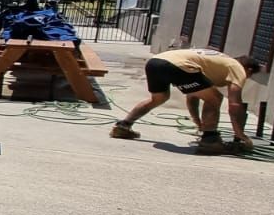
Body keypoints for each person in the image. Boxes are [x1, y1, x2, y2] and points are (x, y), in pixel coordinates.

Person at [110, 49, 263, 155]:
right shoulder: (237, 68)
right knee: (215, 98)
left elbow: (192, 97)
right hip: (176, 65)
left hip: (155, 62)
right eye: (249, 76)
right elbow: (235, 104)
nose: (246, 79)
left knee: (159, 98)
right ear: (249, 70)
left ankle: (123, 126)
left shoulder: (216, 64)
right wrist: (241, 135)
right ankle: (210, 140)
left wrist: (198, 123)